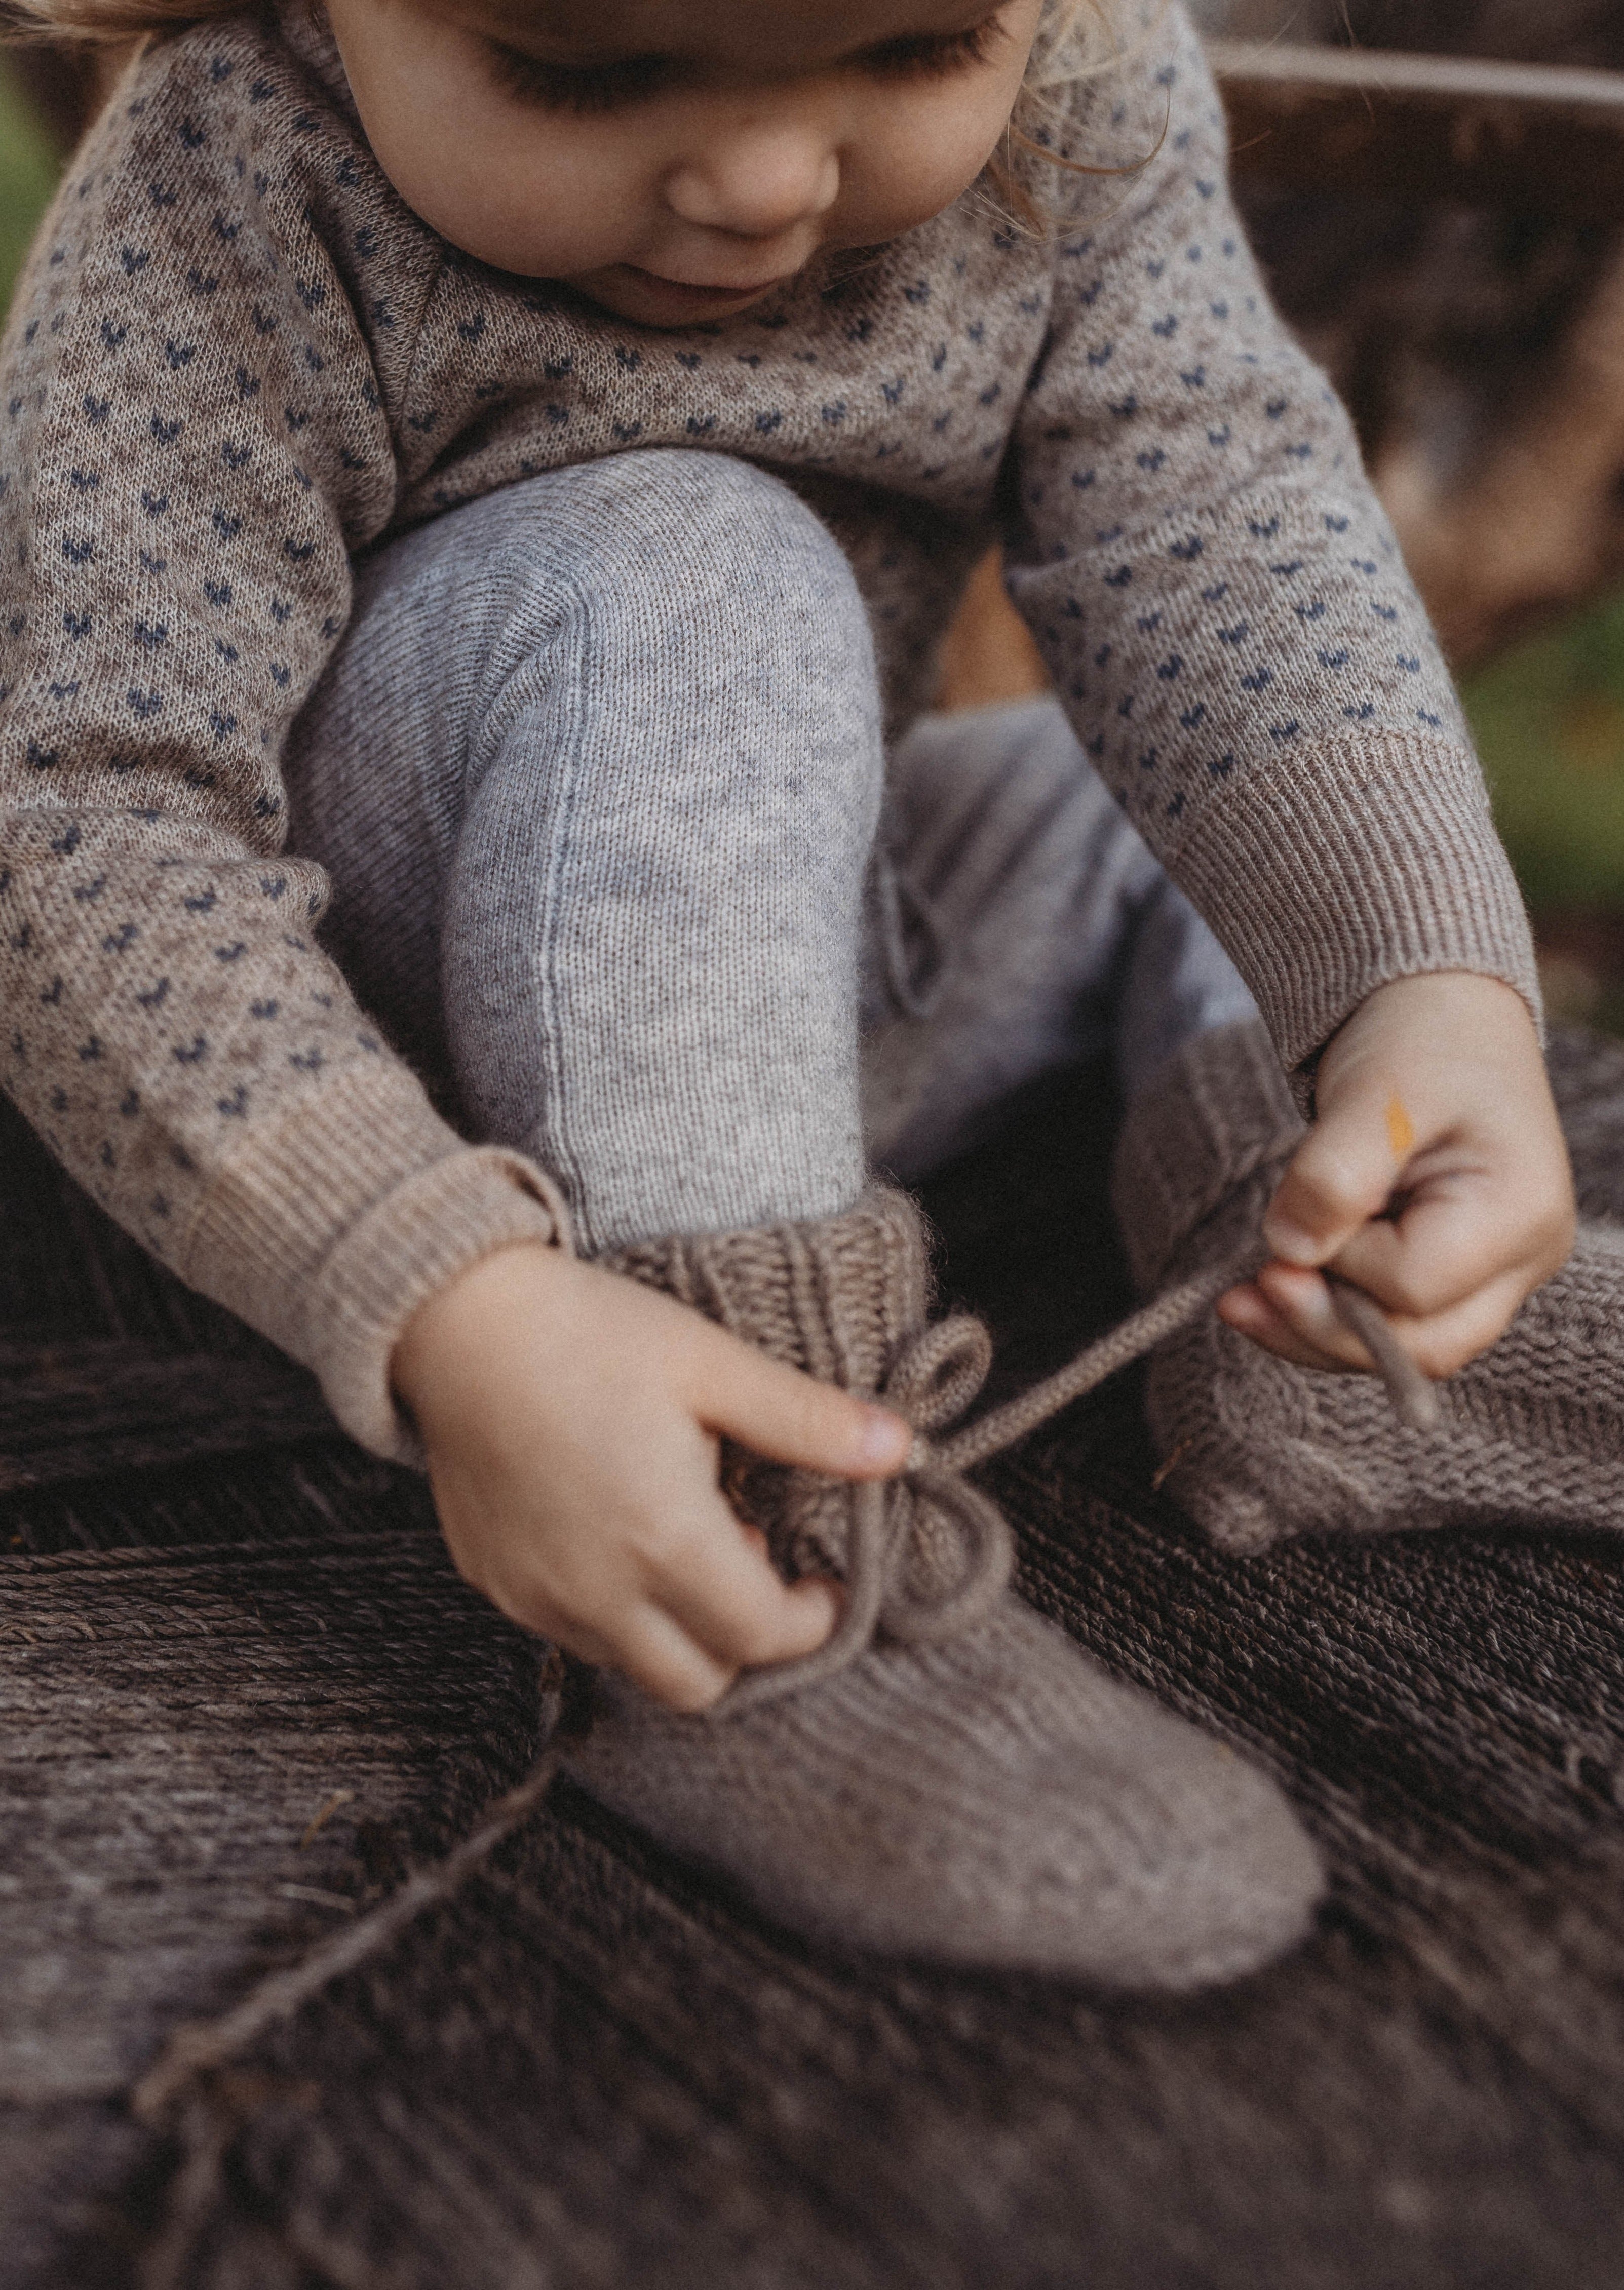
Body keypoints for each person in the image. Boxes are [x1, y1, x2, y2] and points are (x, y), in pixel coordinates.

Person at [0, 0, 1581, 1988]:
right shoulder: (238, 175)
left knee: (1180, 793)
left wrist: (1421, 989)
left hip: (778, 985)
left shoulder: (1083, 78)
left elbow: (1217, 530)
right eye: (583, 73)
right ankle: (756, 1549)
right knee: (695, 562)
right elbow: (83, 819)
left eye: (916, 50)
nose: (760, 181)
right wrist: (441, 1291)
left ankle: (1325, 1299)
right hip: (344, 1099)